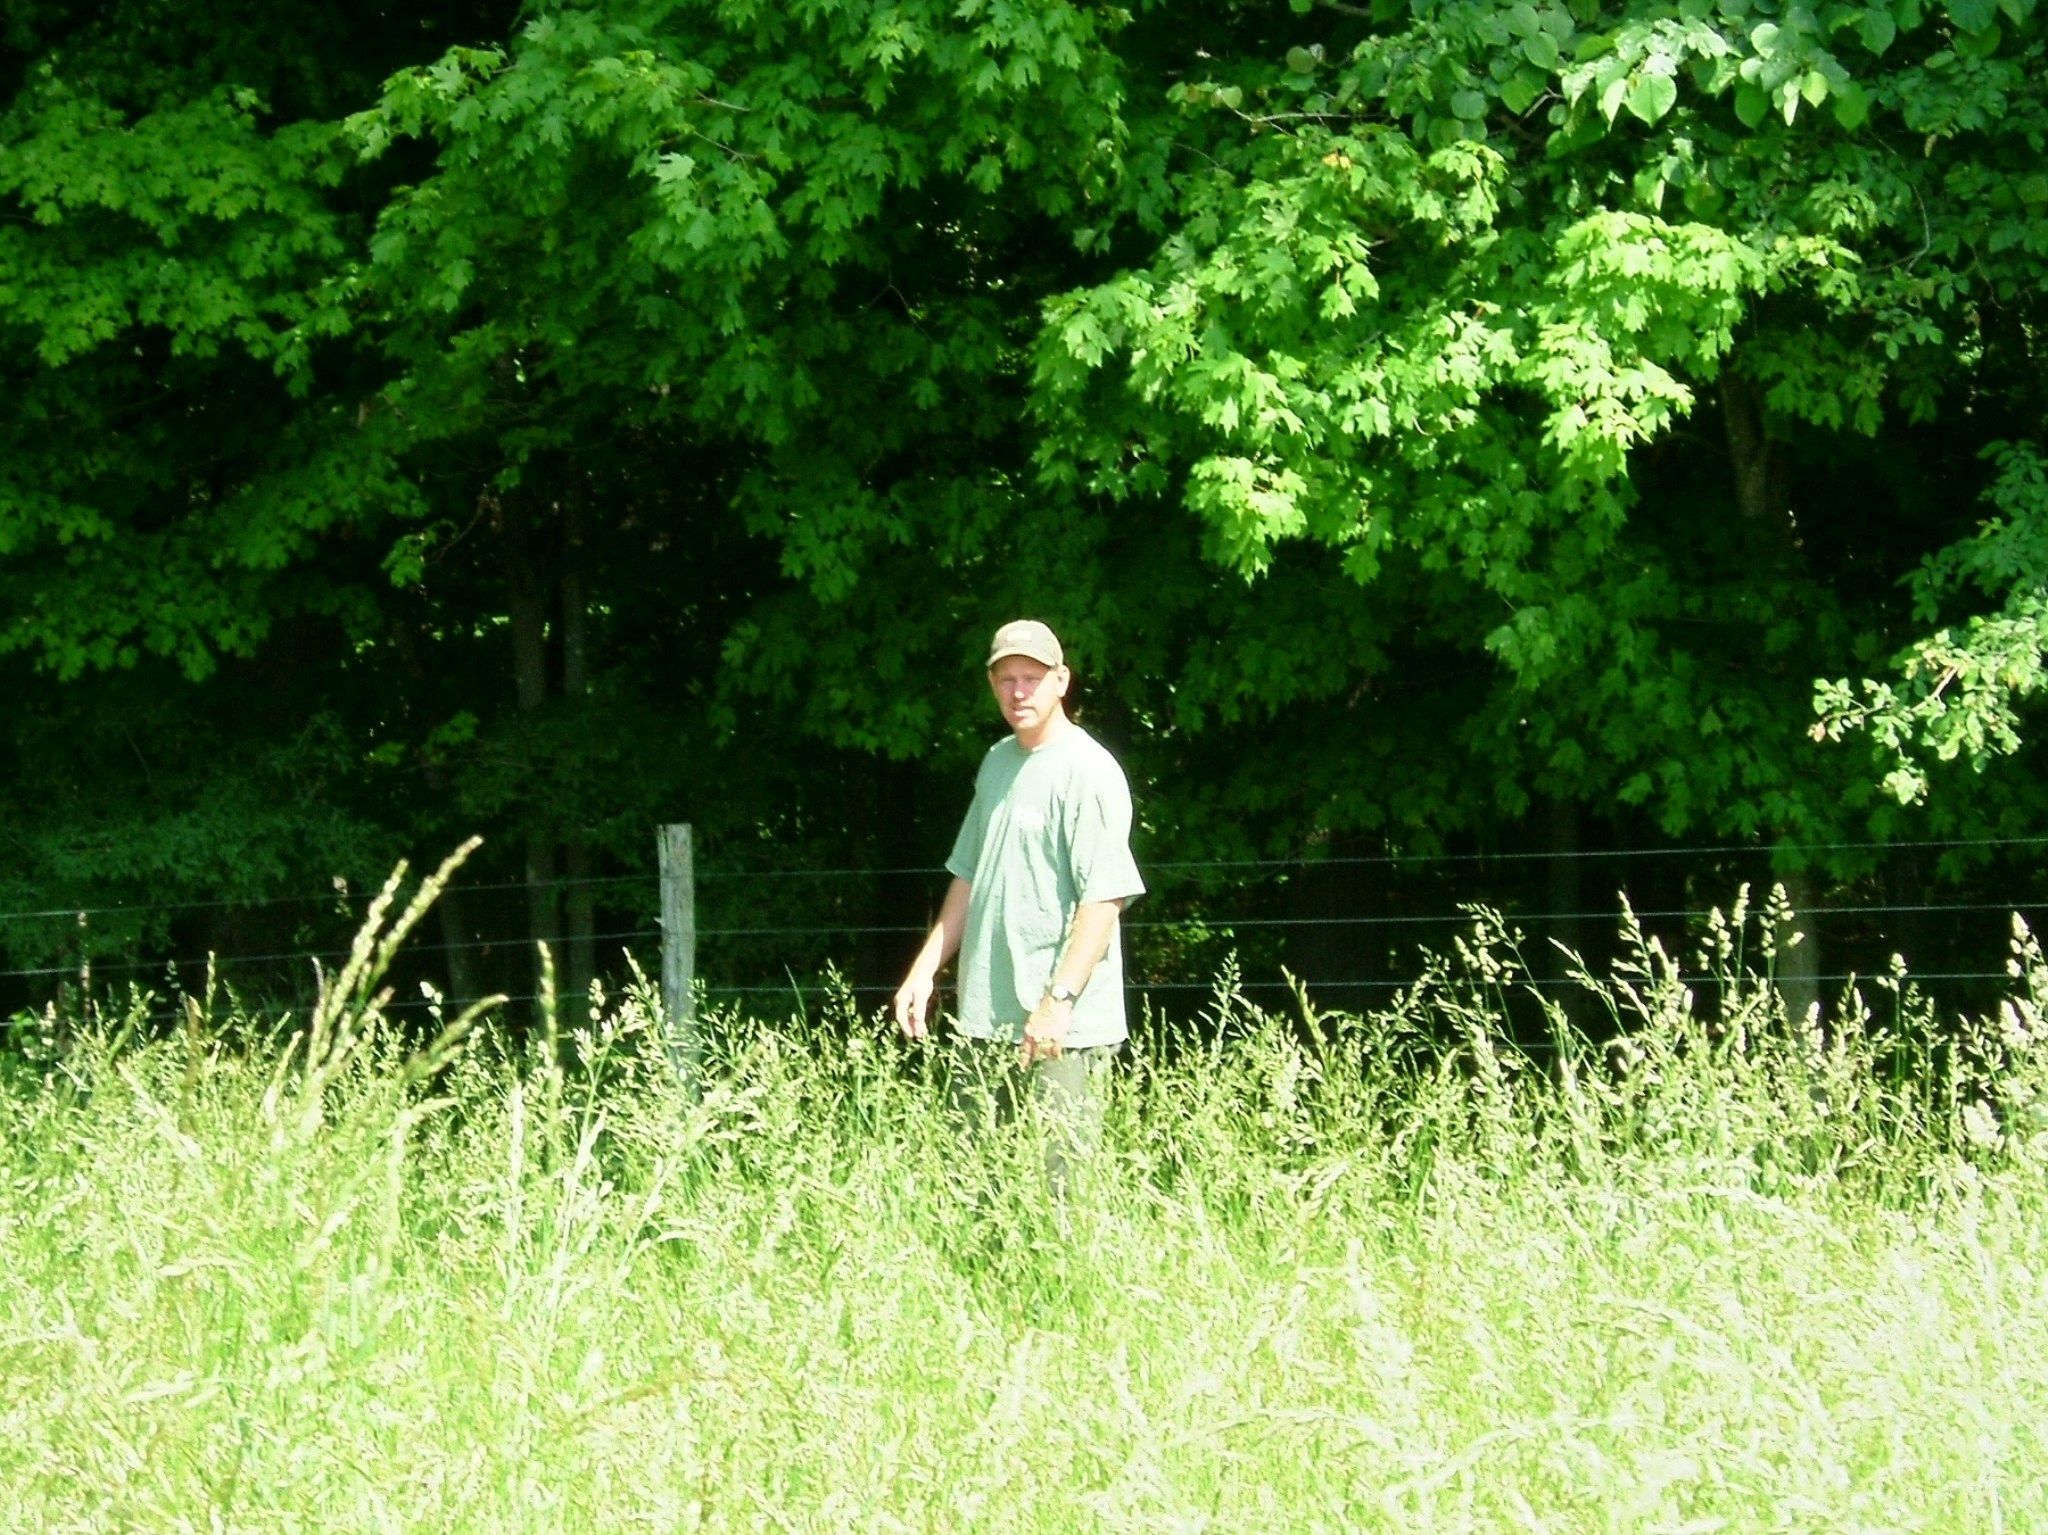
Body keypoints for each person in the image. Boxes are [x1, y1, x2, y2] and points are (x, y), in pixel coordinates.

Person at [893, 619, 1145, 1187]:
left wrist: (1058, 1002)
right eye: (1006, 679)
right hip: (986, 1016)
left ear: (1062, 681)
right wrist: (924, 971)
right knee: (976, 1184)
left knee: (1061, 1190)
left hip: (1062, 1028)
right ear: (992, 684)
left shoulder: (1088, 771)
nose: (1018, 692)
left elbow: (1104, 900)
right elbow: (969, 874)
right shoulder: (997, 762)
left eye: (1032, 678)